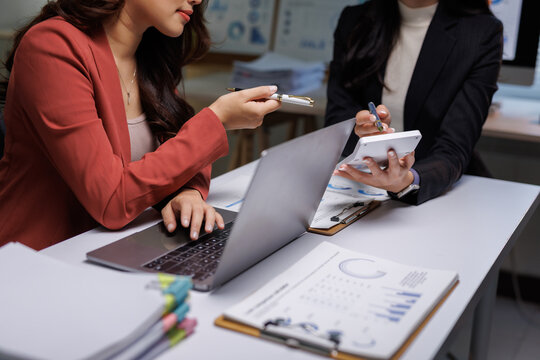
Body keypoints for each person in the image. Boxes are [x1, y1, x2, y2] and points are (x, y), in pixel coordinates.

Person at [0, 0, 281, 250]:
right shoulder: (52, 45)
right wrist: (216, 120)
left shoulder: (149, 54)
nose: (197, 0)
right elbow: (111, 199)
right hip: (40, 261)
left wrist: (187, 193)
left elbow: (176, 146)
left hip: (116, 249)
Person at [325, 0, 503, 204]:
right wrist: (360, 131)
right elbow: (336, 120)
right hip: (356, 187)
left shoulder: (481, 32)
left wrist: (407, 181)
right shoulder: (354, 20)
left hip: (435, 187)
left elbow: (454, 145)